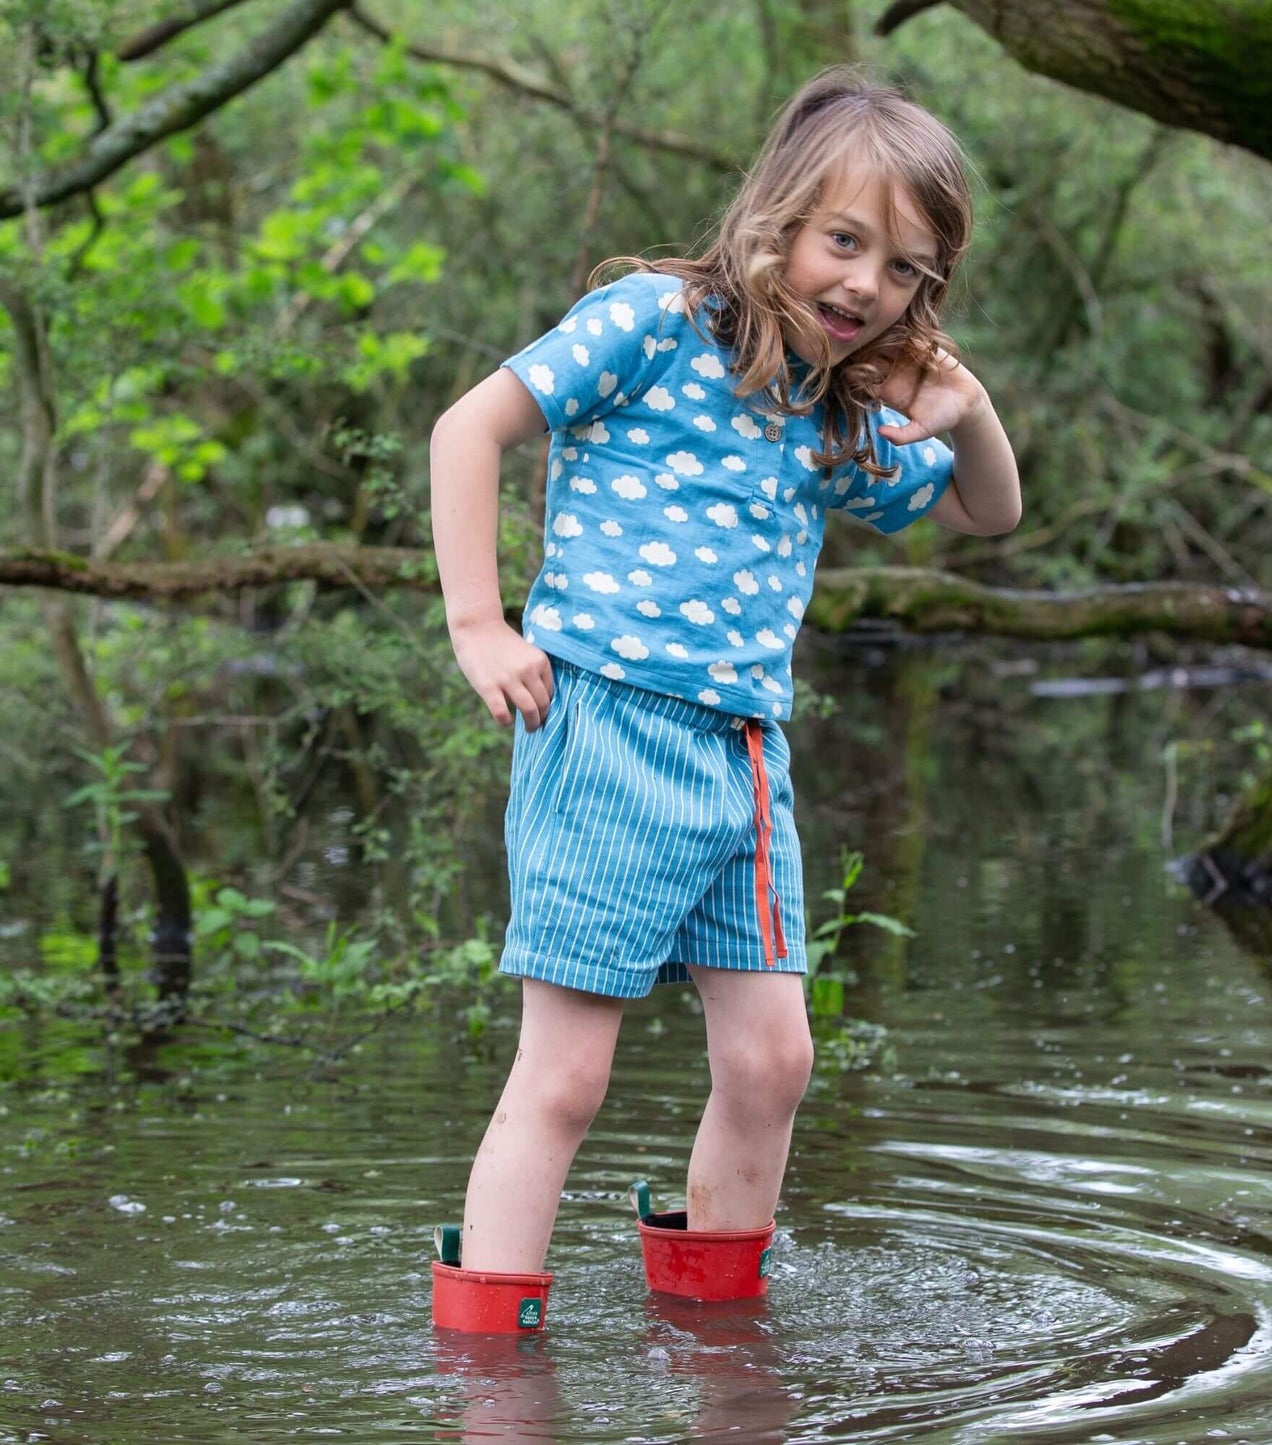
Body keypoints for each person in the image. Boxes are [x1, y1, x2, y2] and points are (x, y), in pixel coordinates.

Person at [428, 67, 1020, 1313]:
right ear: (778, 223)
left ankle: (714, 1336)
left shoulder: (830, 407)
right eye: (844, 242)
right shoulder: (649, 321)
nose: (867, 285)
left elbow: (985, 510)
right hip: (603, 725)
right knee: (567, 1075)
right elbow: (466, 429)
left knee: (772, 1059)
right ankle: (486, 1360)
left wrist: (967, 407)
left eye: (905, 269)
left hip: (743, 760)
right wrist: (481, 623)